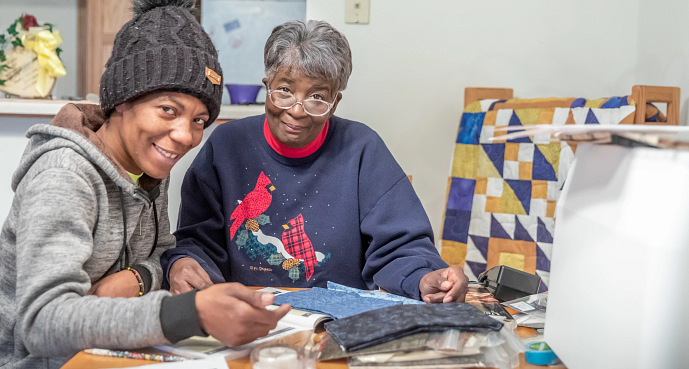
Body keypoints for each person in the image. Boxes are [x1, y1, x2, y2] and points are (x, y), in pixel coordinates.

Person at [0, 0, 289, 369]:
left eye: (199, 120)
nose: (186, 136)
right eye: (168, 110)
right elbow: (43, 322)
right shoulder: (64, 174)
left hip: (94, 368)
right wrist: (192, 312)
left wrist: (141, 276)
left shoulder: (148, 168)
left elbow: (161, 251)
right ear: (121, 102)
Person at [162, 20, 469, 303]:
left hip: (338, 318)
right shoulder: (226, 145)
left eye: (317, 97)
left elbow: (400, 246)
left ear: (335, 102)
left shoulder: (363, 149)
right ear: (266, 85)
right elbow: (197, 241)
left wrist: (424, 277)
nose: (297, 110)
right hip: (246, 315)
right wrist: (185, 264)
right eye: (284, 90)